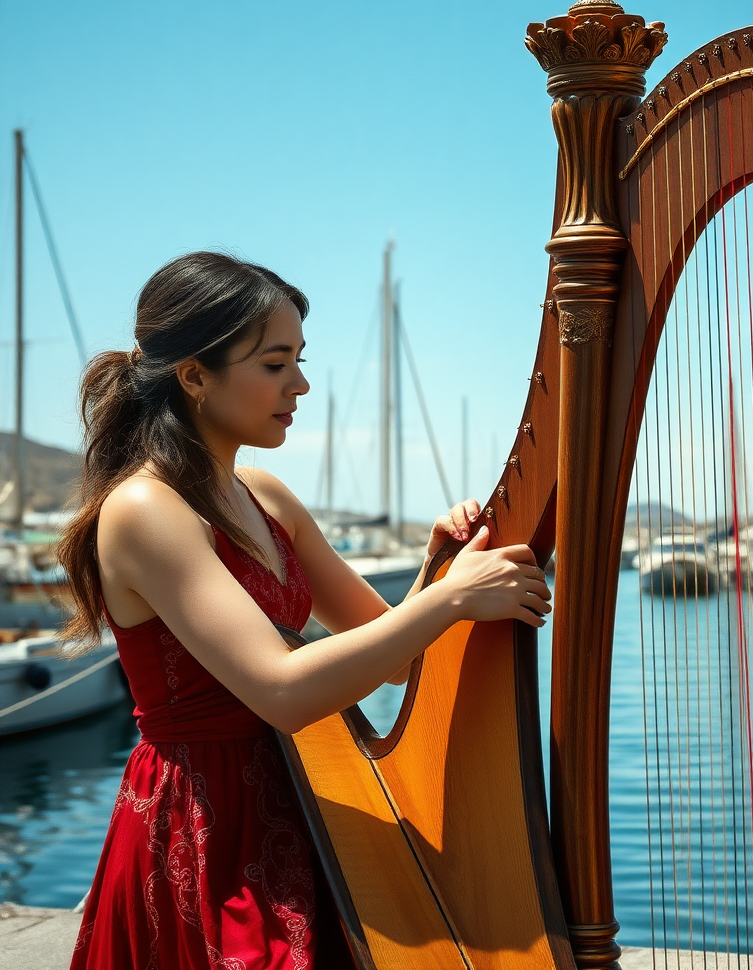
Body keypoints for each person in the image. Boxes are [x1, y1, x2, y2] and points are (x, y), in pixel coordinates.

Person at [59, 251, 551, 970]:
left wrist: (436, 568)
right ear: (195, 375)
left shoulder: (269, 499)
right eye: (274, 363)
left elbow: (392, 654)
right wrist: (450, 599)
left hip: (303, 794)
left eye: (300, 359)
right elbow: (283, 690)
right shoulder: (144, 509)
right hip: (204, 820)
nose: (302, 384)